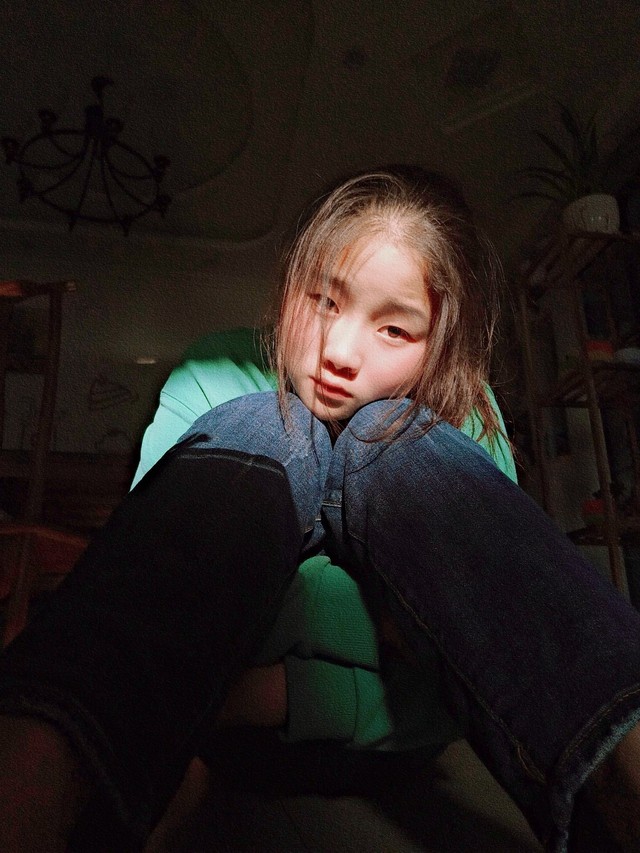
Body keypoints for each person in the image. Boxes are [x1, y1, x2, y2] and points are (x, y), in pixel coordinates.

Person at [1, 167, 640, 853]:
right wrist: (391, 627)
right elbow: (161, 612)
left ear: (441, 344)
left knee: (394, 439)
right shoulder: (213, 374)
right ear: (289, 283)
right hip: (219, 739)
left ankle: (621, 778)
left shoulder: (465, 411)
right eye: (325, 301)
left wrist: (272, 684)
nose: (339, 353)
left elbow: (477, 675)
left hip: (384, 744)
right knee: (268, 423)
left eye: (394, 329)